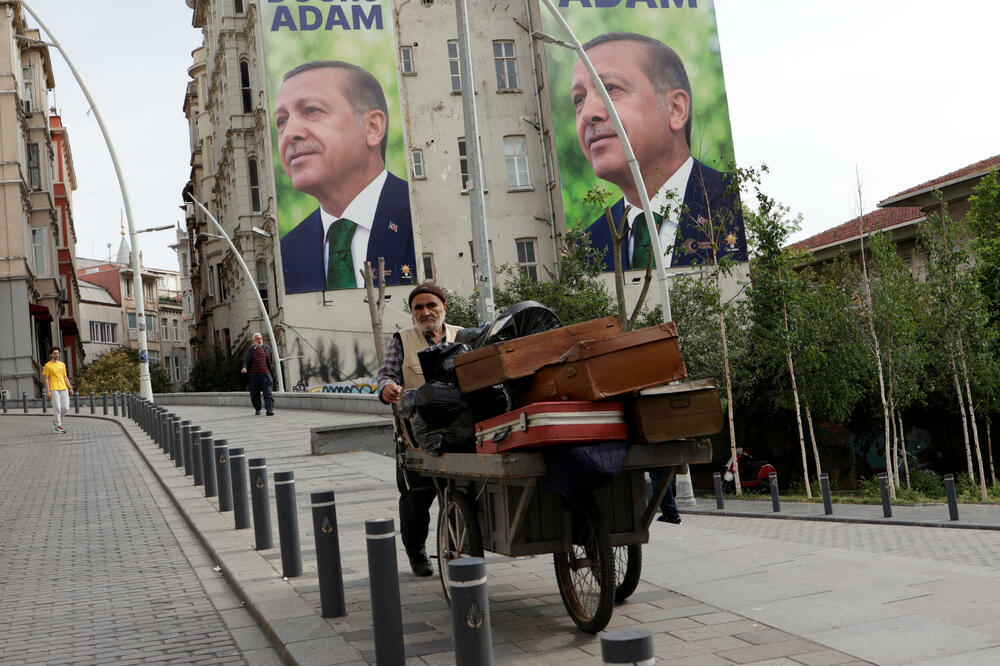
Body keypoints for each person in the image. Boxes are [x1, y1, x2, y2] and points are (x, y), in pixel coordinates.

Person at [572, 32, 747, 272]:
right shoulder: (586, 249)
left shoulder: (739, 207)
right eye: (579, 99)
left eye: (609, 88)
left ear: (676, 108)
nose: (587, 113)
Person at [275, 60, 416, 294]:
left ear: (373, 127)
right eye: (282, 121)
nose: (289, 133)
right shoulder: (286, 250)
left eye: (311, 110)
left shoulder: (418, 212)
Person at [376, 283, 463, 576]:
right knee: (416, 499)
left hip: (458, 432)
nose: (426, 312)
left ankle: (458, 550)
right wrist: (387, 387)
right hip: (414, 437)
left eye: (431, 305)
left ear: (443, 307)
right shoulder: (402, 340)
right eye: (419, 308)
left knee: (460, 494)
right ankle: (417, 555)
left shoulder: (462, 336)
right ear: (412, 313)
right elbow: (386, 374)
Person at [241, 333, 276, 416]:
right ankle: (258, 409)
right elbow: (245, 360)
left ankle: (269, 410)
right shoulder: (250, 350)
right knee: (254, 394)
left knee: (268, 393)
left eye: (260, 338)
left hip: (266, 375)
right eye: (257, 339)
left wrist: (272, 373)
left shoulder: (267, 348)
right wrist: (244, 367)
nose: (259, 340)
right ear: (254, 341)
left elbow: (271, 361)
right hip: (254, 376)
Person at [41, 348, 73, 434]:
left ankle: (56, 420)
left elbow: (65, 377)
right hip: (54, 389)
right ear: (51, 354)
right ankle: (58, 426)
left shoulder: (62, 364)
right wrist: (48, 391)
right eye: (55, 353)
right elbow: (46, 379)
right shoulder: (47, 366)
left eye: (58, 353)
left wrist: (70, 388)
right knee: (57, 408)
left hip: (63, 388)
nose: (57, 355)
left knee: (65, 408)